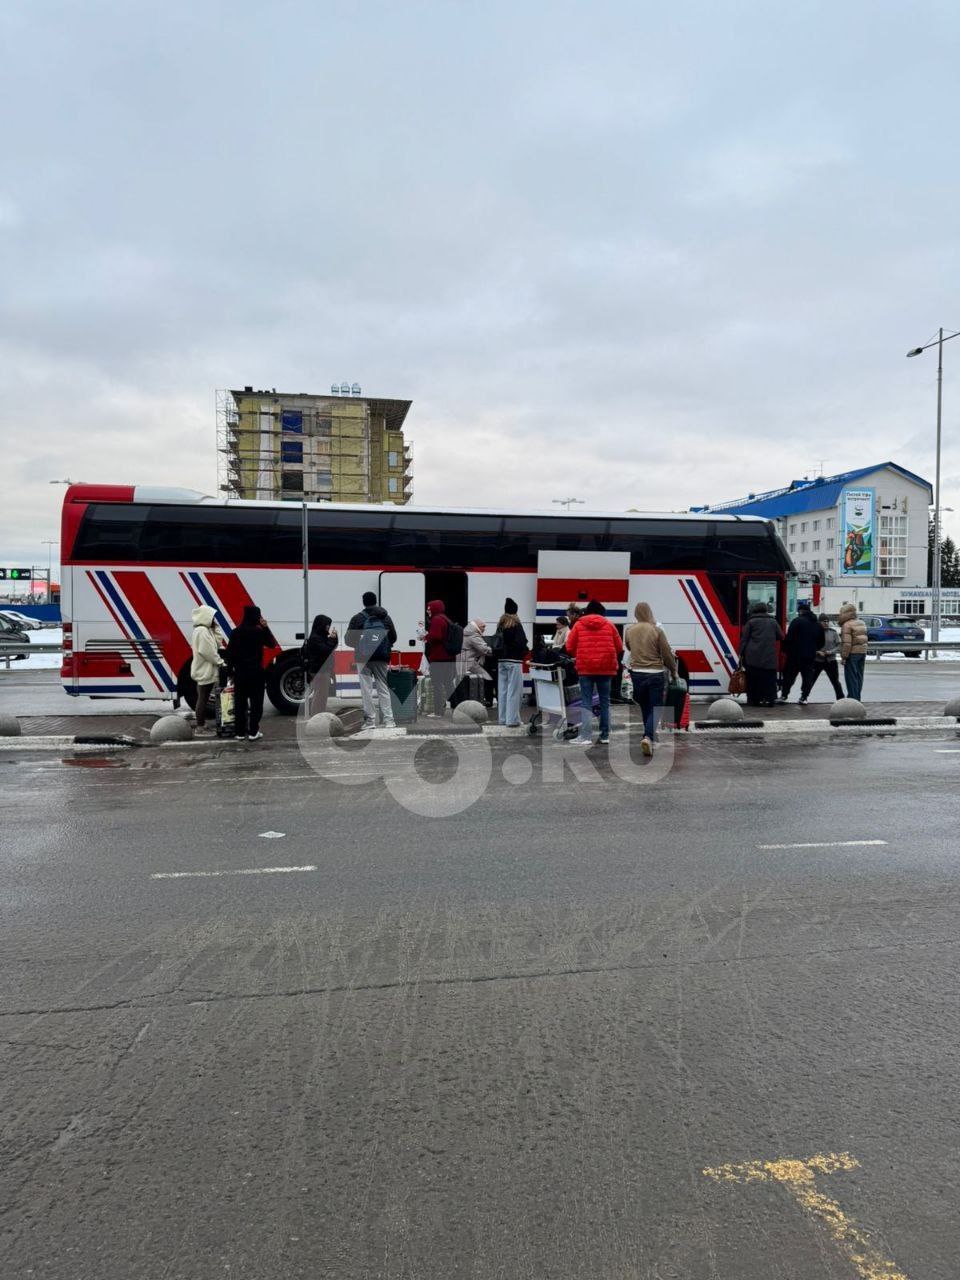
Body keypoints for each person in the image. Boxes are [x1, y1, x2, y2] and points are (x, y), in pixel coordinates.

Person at [565, 599, 623, 746]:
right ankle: (605, 735)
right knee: (605, 701)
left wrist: (580, 653)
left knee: (586, 702)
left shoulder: (578, 624)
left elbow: (569, 647)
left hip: (585, 668)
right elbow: (619, 647)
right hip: (605, 668)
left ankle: (585, 736)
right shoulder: (609, 625)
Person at [623, 601, 677, 755]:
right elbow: (666, 653)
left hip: (637, 674)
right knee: (657, 708)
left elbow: (629, 647)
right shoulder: (656, 630)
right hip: (655, 673)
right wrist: (674, 671)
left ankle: (649, 737)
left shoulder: (629, 630)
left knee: (645, 706)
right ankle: (648, 736)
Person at [225, 604, 277, 740]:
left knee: (240, 703)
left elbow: (229, 654)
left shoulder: (235, 632)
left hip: (240, 673)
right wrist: (265, 627)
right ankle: (253, 731)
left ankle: (240, 732)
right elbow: (271, 644)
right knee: (256, 703)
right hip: (256, 673)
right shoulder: (259, 632)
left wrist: (230, 672)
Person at [346, 591, 397, 729]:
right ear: (376, 601)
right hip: (381, 658)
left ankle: (370, 722)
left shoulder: (357, 618)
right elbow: (393, 637)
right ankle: (389, 720)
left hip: (363, 658)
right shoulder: (385, 617)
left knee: (366, 689)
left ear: (363, 602)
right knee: (383, 688)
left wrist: (362, 645)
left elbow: (348, 640)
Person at [738, 601, 784, 708]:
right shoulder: (773, 622)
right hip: (769, 655)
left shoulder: (751, 622)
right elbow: (781, 636)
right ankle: (770, 699)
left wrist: (740, 654)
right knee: (769, 678)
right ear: (766, 610)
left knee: (753, 678)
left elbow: (744, 639)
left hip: (752, 655)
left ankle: (754, 700)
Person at [190, 604, 226, 735]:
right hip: (204, 670)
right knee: (203, 699)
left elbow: (217, 644)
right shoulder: (202, 631)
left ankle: (202, 725)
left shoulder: (205, 630)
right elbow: (208, 651)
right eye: (211, 617)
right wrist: (220, 662)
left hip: (205, 670)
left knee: (203, 698)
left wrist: (216, 628)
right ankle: (200, 727)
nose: (213, 619)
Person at [780, 603, 825, 705]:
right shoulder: (818, 624)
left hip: (794, 655)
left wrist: (785, 650)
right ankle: (804, 697)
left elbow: (789, 638)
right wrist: (813, 649)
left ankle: (784, 695)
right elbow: (822, 642)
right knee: (807, 677)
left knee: (789, 676)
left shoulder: (797, 621)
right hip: (809, 656)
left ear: (800, 611)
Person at [492, 597, 528, 727]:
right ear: (515, 611)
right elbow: (521, 643)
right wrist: (525, 651)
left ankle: (502, 719)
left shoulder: (500, 624)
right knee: (514, 691)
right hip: (514, 661)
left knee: (502, 691)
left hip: (501, 661)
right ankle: (512, 719)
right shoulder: (516, 624)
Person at [419, 599, 457, 717]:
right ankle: (457, 707)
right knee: (449, 684)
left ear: (434, 608)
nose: (427, 611)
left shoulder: (436, 619)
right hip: (449, 658)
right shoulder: (446, 619)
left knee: (437, 685)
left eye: (429, 608)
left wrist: (426, 636)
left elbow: (436, 636)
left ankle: (438, 712)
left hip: (439, 658)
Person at [302, 614, 338, 715]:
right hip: (319, 671)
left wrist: (334, 638)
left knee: (322, 696)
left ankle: (319, 715)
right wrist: (331, 639)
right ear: (321, 625)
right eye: (327, 625)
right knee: (319, 696)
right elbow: (326, 651)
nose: (328, 627)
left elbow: (332, 647)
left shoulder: (321, 636)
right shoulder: (315, 638)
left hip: (323, 670)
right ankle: (316, 717)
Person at [453, 619, 492, 705]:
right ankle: (482, 700)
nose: (484, 629)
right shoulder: (473, 636)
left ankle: (460, 703)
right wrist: (493, 650)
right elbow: (484, 649)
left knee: (463, 685)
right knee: (487, 678)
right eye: (483, 626)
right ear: (476, 626)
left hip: (461, 663)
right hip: (469, 663)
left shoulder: (466, 633)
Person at [810, 613, 844, 700]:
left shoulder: (833, 632)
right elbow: (810, 645)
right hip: (817, 660)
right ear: (819, 622)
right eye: (824, 621)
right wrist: (818, 652)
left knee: (835, 681)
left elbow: (839, 645)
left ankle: (841, 699)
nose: (826, 623)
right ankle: (804, 697)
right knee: (811, 681)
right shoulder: (814, 632)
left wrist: (831, 652)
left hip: (830, 660)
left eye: (827, 621)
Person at [838, 602, 869, 700]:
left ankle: (853, 698)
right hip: (862, 653)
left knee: (851, 678)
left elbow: (847, 643)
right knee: (859, 677)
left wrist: (844, 657)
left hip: (852, 654)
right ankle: (857, 698)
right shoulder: (861, 623)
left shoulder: (846, 625)